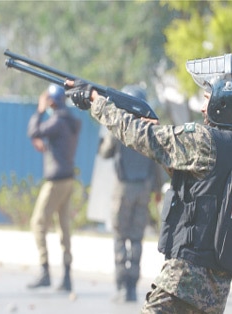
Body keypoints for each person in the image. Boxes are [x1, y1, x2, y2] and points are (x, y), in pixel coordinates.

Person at [67, 53, 232, 314]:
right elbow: (206, 187)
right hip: (215, 297)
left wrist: (97, 103)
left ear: (224, 103)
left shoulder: (204, 140)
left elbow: (141, 136)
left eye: (207, 100)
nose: (202, 108)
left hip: (180, 285)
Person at [97, 85, 163, 303]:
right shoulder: (150, 129)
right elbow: (156, 163)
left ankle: (120, 282)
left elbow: (105, 153)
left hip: (123, 189)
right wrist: (157, 190)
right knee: (136, 238)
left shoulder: (120, 128)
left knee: (119, 236)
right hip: (143, 189)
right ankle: (132, 287)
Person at [26, 84, 81, 292]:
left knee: (38, 222)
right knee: (63, 226)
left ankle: (44, 270)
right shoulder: (71, 121)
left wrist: (40, 111)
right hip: (68, 178)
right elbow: (59, 143)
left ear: (51, 101)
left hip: (56, 180)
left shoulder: (56, 121)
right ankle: (66, 276)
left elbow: (33, 131)